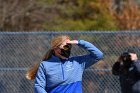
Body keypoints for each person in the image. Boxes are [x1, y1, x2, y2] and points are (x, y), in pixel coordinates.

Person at [26, 35, 103, 93]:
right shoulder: (45, 65)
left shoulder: (77, 62)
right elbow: (39, 86)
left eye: (69, 47)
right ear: (55, 49)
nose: (67, 50)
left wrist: (79, 42)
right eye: (65, 47)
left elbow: (98, 55)